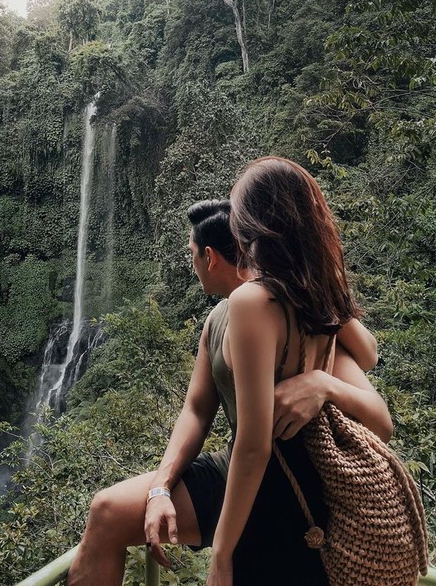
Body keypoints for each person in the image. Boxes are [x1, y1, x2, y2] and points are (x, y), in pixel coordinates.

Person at [67, 192, 392, 586]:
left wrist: (321, 383)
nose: (191, 264)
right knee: (108, 510)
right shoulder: (217, 320)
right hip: (234, 463)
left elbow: (377, 413)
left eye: (191, 254)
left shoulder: (295, 311)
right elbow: (197, 410)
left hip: (287, 480)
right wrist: (160, 488)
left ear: (210, 256)